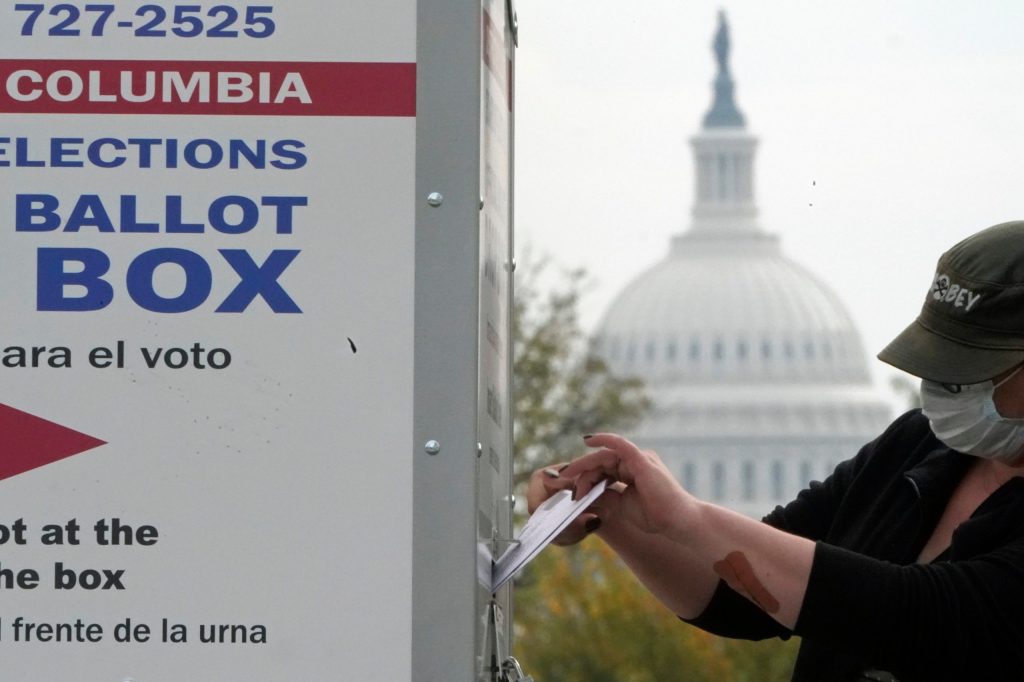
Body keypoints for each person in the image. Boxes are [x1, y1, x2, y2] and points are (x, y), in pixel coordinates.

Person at [528, 220, 1024, 682]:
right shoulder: (919, 445)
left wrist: (689, 518)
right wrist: (611, 509)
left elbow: (921, 617)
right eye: (937, 362)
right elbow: (747, 593)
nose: (942, 385)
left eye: (972, 367)